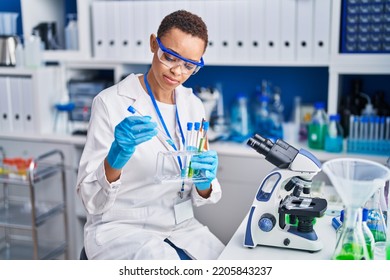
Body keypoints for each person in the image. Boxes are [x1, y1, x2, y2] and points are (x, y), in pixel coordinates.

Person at [76, 10, 225, 260]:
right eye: (170, 57)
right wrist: (116, 157)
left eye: (189, 65)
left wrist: (204, 182)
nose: (177, 71)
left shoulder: (193, 105)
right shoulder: (110, 102)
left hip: (182, 226)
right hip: (122, 229)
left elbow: (199, 190)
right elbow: (90, 199)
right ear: (154, 44)